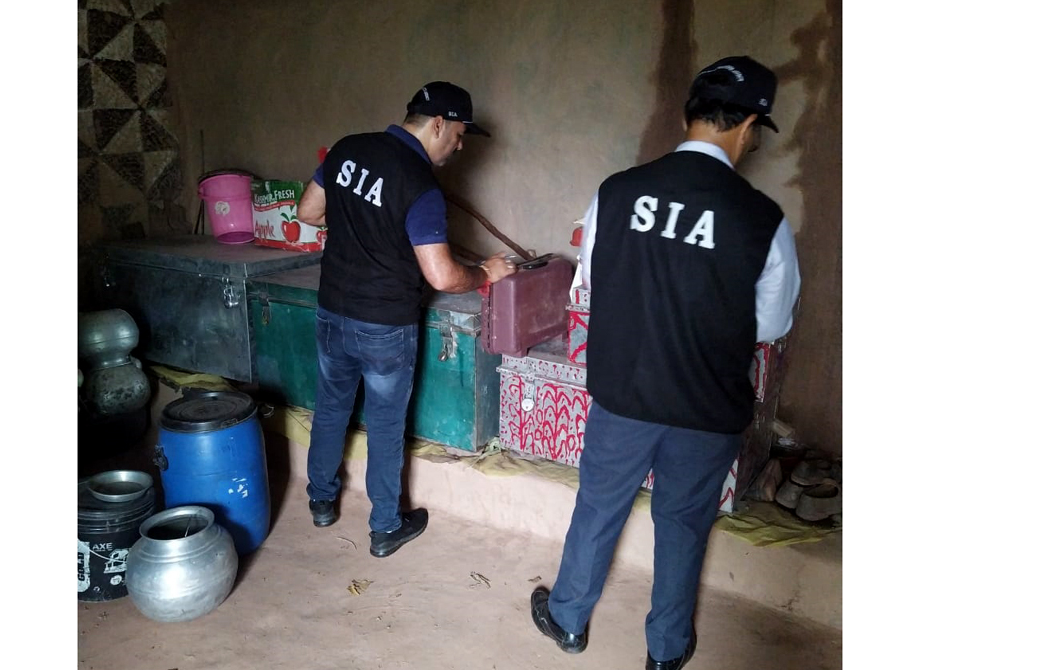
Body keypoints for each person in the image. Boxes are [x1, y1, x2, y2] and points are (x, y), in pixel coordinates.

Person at [529, 56, 802, 669]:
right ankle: (666, 651)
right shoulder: (764, 221)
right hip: (707, 410)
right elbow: (770, 325)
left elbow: (596, 282)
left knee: (598, 505)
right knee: (683, 525)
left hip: (624, 396)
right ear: (750, 126)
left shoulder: (617, 192)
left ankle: (569, 619)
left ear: (687, 116)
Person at [295, 81, 517, 558]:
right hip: (385, 326)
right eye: (459, 134)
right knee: (385, 424)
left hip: (333, 311)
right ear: (438, 123)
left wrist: (361, 233)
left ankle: (320, 502)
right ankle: (384, 527)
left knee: (331, 408)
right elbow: (440, 274)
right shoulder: (420, 185)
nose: (460, 146)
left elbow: (308, 212)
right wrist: (486, 272)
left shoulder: (348, 149)